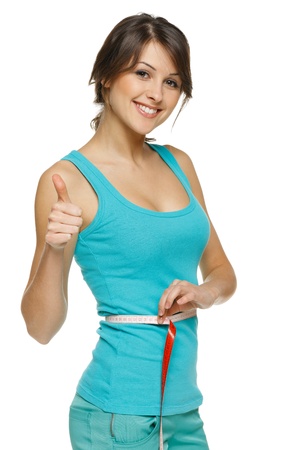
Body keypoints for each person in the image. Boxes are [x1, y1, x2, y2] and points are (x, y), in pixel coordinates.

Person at [21, 12, 237, 450]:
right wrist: (53, 247)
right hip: (116, 417)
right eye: (142, 73)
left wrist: (204, 294)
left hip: (182, 412)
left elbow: (221, 271)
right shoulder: (69, 180)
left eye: (172, 83)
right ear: (105, 76)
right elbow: (40, 328)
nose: (156, 94)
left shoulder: (180, 164)